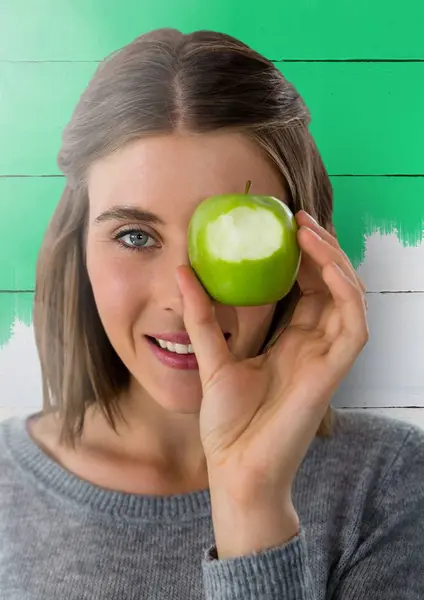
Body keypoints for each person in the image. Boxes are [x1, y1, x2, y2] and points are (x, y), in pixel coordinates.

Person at [0, 28, 423, 600]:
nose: (185, 299)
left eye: (234, 239)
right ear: (77, 247)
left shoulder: (391, 484)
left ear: (306, 252)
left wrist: (253, 501)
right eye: (133, 235)